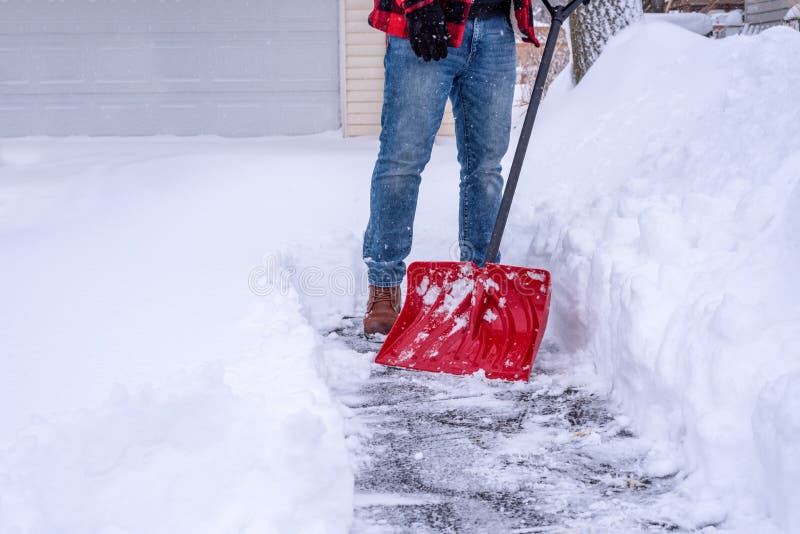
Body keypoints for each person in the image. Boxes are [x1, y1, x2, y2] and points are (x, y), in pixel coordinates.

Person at [363, 0, 540, 335]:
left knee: (486, 167)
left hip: (493, 30)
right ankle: (384, 285)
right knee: (402, 161)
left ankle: (479, 278)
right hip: (426, 20)